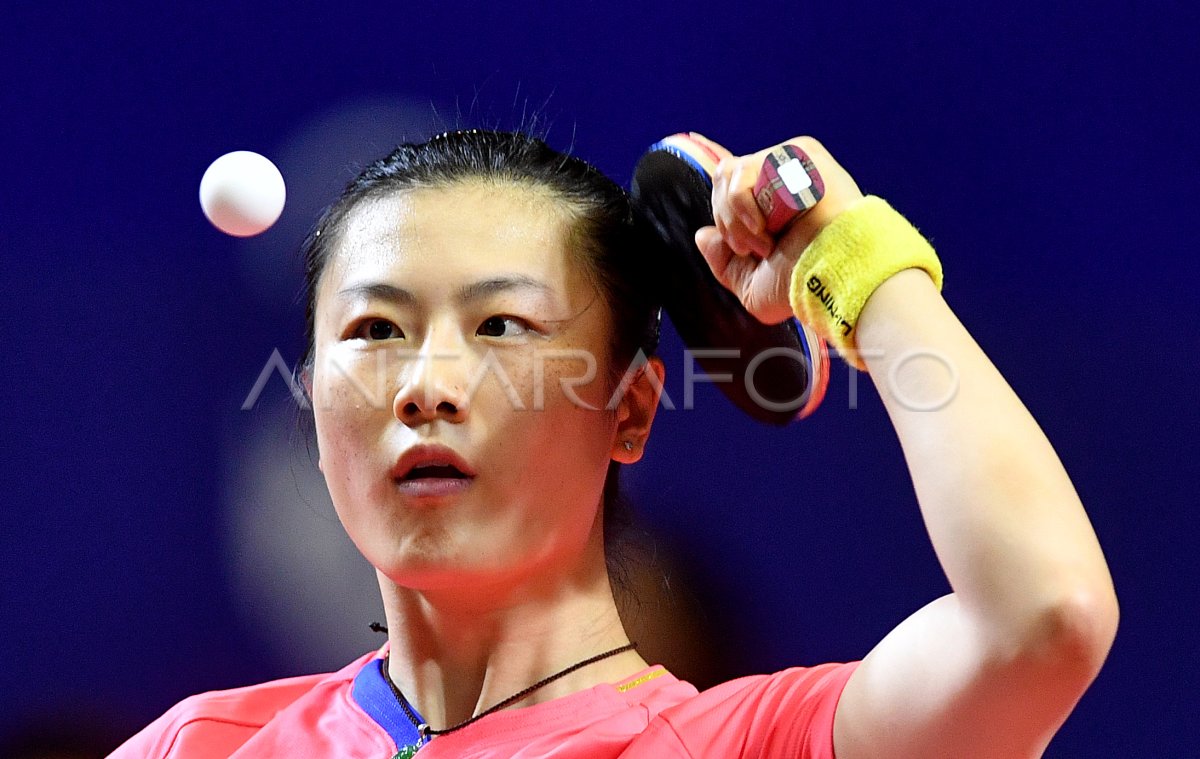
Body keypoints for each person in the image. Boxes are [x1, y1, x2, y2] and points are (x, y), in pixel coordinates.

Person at [110, 129, 1118, 758]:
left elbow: (1043, 620)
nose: (424, 385)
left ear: (630, 412)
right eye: (374, 331)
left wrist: (855, 263)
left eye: (502, 327)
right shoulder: (197, 746)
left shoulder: (749, 747)